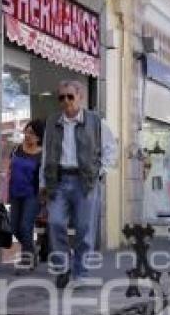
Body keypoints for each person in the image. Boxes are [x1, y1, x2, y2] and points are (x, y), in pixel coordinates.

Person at [40, 80, 117, 288]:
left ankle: (80, 272)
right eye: (61, 97)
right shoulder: (52, 122)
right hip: (59, 180)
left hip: (86, 181)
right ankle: (63, 267)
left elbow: (111, 149)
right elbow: (46, 154)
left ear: (80, 97)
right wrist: (43, 182)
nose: (65, 101)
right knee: (55, 223)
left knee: (85, 228)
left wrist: (100, 171)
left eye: (70, 96)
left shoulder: (96, 122)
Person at [8, 119, 44, 271]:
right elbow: (10, 169)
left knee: (25, 226)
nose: (27, 135)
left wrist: (45, 197)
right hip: (15, 193)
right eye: (26, 132)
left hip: (32, 195)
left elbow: (44, 178)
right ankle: (32, 251)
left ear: (39, 137)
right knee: (14, 227)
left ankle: (27, 258)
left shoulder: (42, 155)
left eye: (32, 133)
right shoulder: (16, 149)